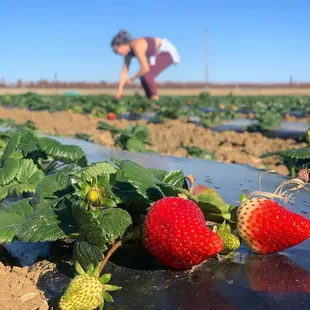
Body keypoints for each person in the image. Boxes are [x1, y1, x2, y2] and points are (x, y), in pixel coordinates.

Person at [111, 30, 180, 100]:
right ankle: (149, 100)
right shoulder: (127, 53)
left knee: (147, 74)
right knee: (143, 77)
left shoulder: (137, 46)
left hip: (165, 51)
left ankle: (155, 99)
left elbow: (145, 68)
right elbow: (124, 72)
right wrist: (119, 92)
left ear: (122, 44)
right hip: (154, 55)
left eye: (116, 50)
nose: (117, 53)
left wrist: (132, 79)